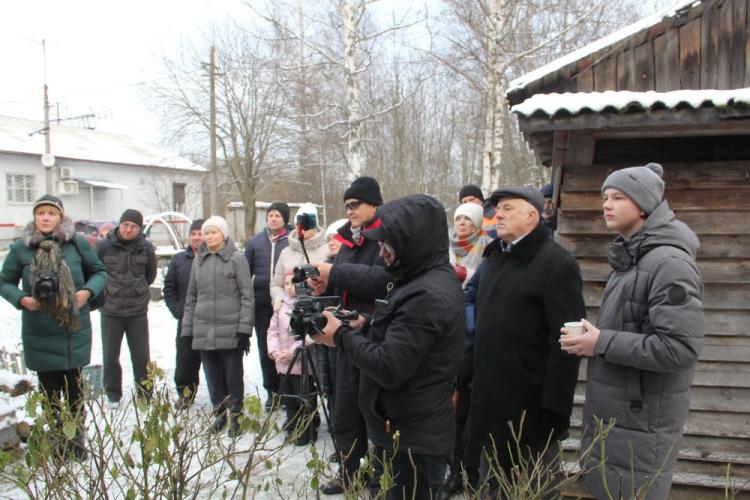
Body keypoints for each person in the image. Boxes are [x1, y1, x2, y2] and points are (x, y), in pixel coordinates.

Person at [560, 163, 704, 500]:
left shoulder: (669, 264)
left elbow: (679, 348)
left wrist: (601, 341)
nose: (606, 204)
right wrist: (596, 337)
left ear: (643, 205)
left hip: (641, 426)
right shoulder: (633, 260)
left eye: (618, 197)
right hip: (618, 420)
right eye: (605, 197)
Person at [317, 194, 464, 500]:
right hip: (405, 428)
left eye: (388, 244)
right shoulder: (420, 279)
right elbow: (411, 342)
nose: (382, 253)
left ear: (414, 242)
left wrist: (341, 336)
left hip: (413, 440)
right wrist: (366, 325)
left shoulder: (427, 293)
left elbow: (389, 367)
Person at [466, 186, 585, 498]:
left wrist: (554, 413)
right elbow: (483, 333)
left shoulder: (556, 265)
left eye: (507, 208)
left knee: (537, 490)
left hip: (532, 416)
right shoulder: (494, 260)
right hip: (491, 408)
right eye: (496, 209)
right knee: (492, 489)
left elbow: (567, 347)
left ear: (532, 215)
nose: (498, 215)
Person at [0, 195, 107, 459]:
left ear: (60, 217)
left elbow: (100, 272)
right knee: (50, 396)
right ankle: (58, 442)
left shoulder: (77, 243)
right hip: (40, 330)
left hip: (73, 329)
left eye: (51, 213)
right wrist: (23, 299)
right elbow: (4, 282)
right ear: (35, 217)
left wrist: (85, 293)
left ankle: (76, 443)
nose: (46, 218)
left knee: (74, 394)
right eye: (41, 213)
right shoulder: (20, 249)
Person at [312, 177, 392, 495]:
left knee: (374, 411)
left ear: (374, 204)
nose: (350, 210)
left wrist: (333, 272)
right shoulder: (346, 241)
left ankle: (380, 476)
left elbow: (381, 281)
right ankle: (350, 472)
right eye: (346, 205)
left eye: (355, 204)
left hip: (377, 337)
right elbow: (344, 283)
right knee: (345, 410)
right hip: (345, 335)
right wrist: (326, 285)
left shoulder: (386, 238)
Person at [181, 216, 254, 438]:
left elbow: (247, 296)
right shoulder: (198, 260)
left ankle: (236, 416)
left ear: (223, 234)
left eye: (214, 232)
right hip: (204, 327)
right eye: (207, 232)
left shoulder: (236, 259)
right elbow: (191, 297)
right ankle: (220, 412)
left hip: (230, 328)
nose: (209, 236)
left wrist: (244, 330)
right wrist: (187, 329)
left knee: (233, 376)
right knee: (212, 376)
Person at [96, 209, 157, 405]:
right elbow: (95, 272)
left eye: (134, 226)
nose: (129, 229)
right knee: (110, 355)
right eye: (125, 225)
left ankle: (144, 394)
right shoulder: (103, 246)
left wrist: (138, 290)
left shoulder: (146, 248)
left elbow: (151, 275)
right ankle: (113, 394)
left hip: (137, 311)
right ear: (119, 225)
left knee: (141, 356)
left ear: (139, 229)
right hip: (110, 309)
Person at [245, 202, 293, 410]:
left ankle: (287, 391)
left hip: (287, 303)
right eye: (270, 215)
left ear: (285, 219)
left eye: (277, 216)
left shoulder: (291, 242)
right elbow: (245, 272)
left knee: (288, 347)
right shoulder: (255, 242)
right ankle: (272, 391)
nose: (273, 219)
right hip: (262, 304)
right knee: (267, 349)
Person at [267, 272, 320, 446]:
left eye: (293, 283)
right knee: (288, 398)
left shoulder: (309, 304)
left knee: (303, 398)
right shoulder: (280, 306)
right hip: (282, 362)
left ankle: (307, 428)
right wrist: (274, 351)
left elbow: (311, 335)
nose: (289, 287)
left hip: (301, 363)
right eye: (286, 284)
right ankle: (292, 426)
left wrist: (292, 352)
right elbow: (272, 331)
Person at [163, 218, 204, 409]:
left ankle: (221, 396)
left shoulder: (216, 258)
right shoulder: (179, 260)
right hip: (186, 319)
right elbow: (169, 288)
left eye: (200, 233)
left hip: (210, 320)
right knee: (185, 360)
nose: (197, 237)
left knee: (214, 361)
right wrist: (177, 310)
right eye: (193, 234)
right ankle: (185, 394)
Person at [270, 203, 329, 311]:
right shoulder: (285, 253)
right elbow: (276, 284)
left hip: (319, 313)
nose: (302, 228)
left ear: (315, 224)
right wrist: (280, 299)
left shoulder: (327, 250)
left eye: (306, 224)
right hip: (289, 315)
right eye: (298, 223)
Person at [448, 202, 493, 286]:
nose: (461, 223)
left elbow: (490, 276)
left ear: (477, 222)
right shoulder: (445, 244)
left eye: (467, 218)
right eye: (458, 219)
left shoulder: (490, 245)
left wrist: (465, 274)